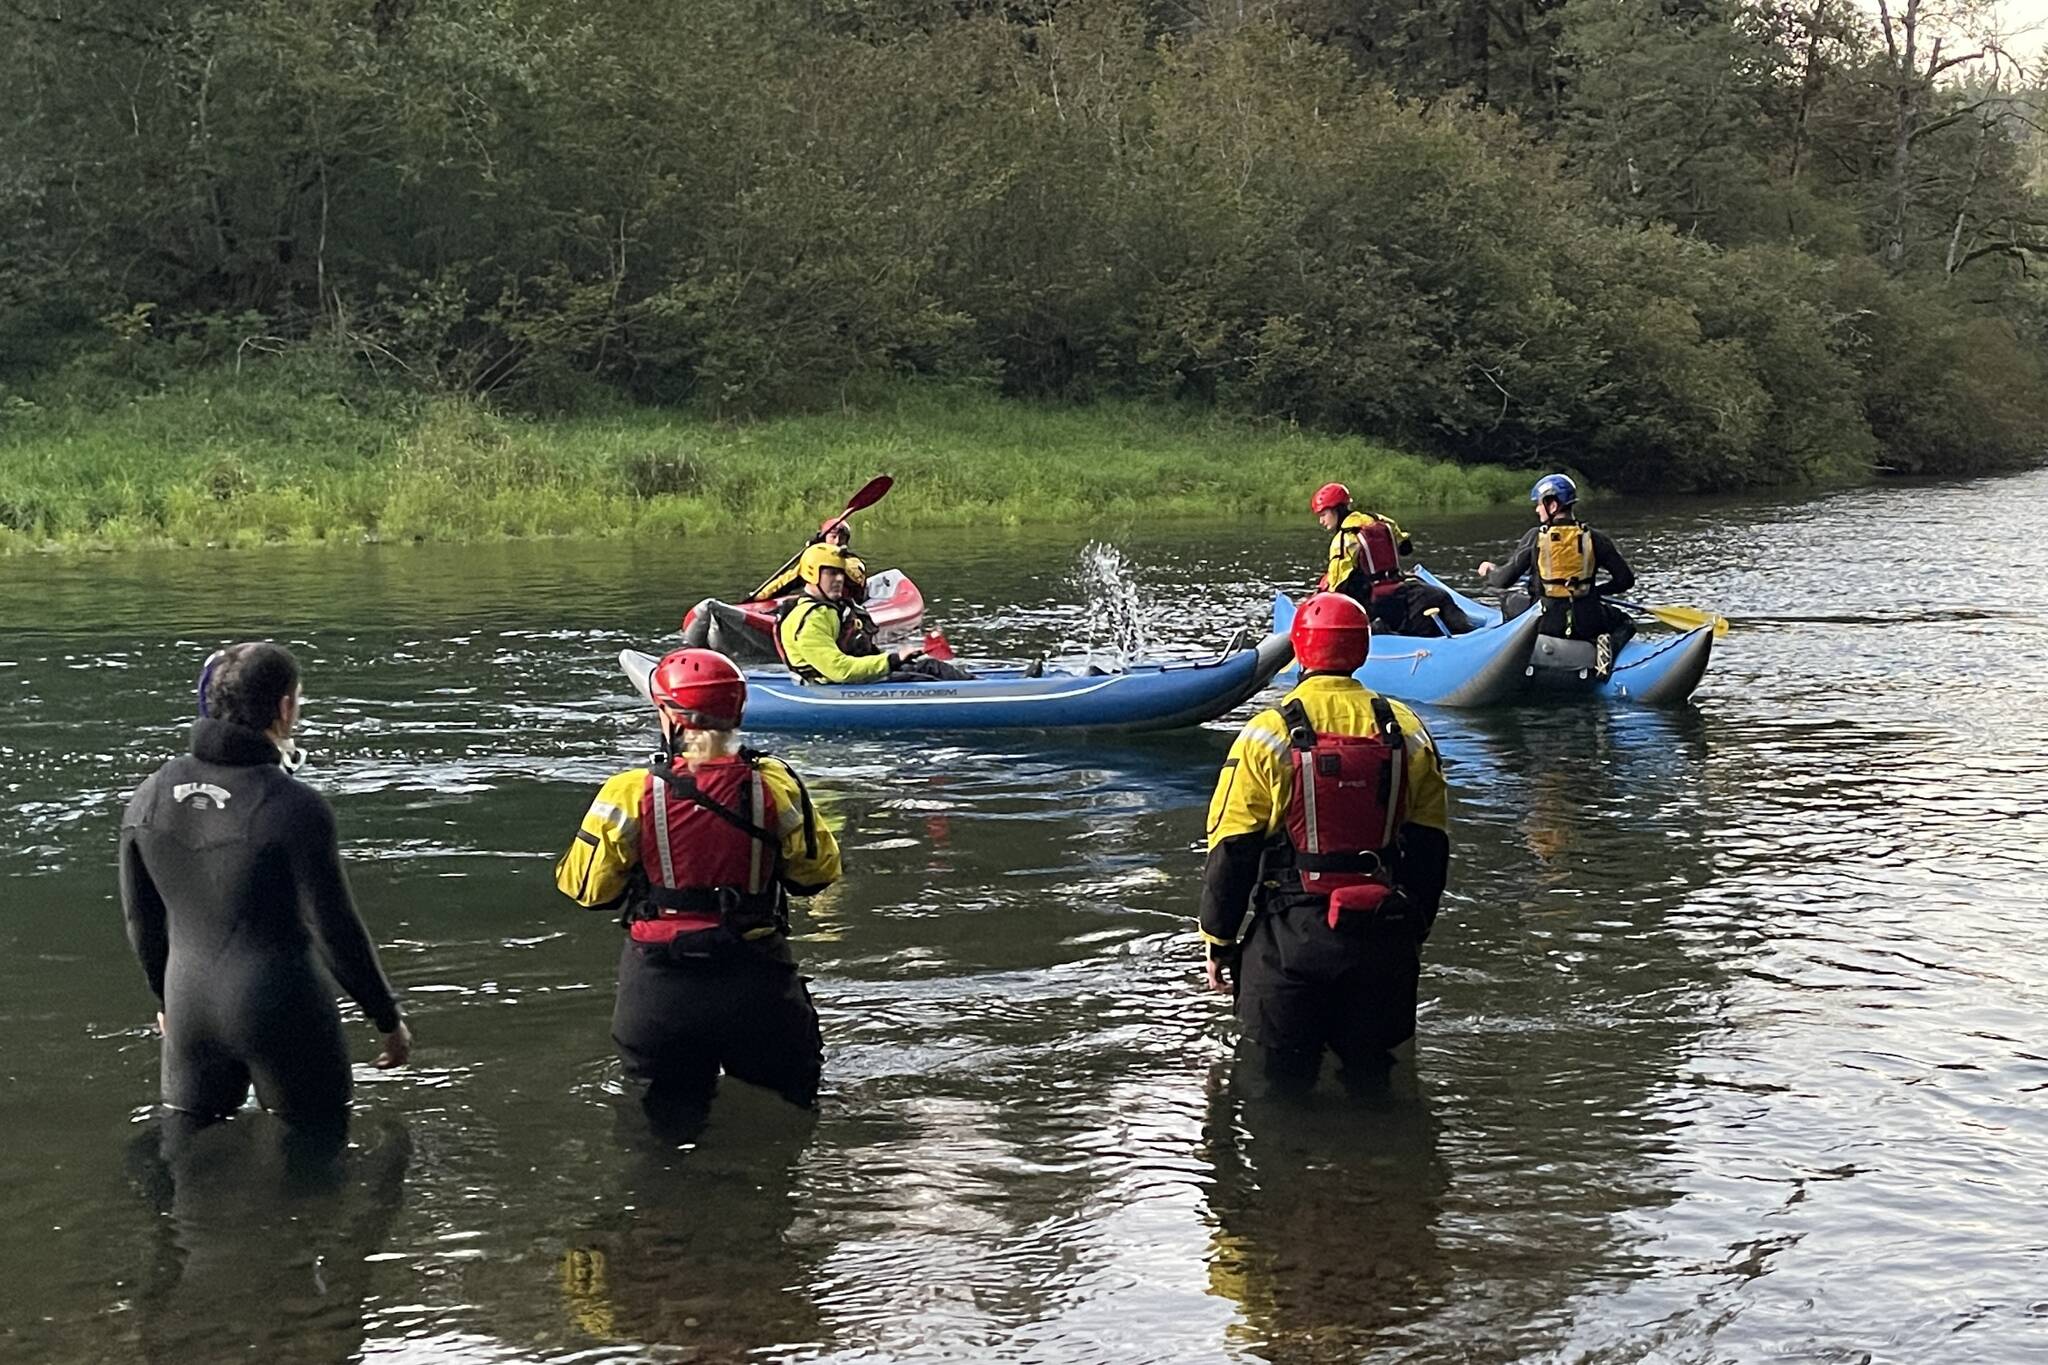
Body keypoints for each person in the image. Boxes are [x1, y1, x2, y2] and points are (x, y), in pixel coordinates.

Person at [119, 642, 411, 1156]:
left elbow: (141, 920)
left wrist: (165, 1001)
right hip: (281, 1006)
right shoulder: (295, 806)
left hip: (189, 1012)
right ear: (283, 708)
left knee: (186, 1166)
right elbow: (333, 927)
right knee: (316, 1160)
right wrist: (386, 1018)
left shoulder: (149, 795)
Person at [554, 648, 842, 1124]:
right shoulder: (777, 785)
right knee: (786, 1119)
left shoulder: (627, 791)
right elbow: (817, 873)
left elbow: (587, 890)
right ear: (738, 713)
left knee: (663, 1136)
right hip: (757, 984)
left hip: (662, 993)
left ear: (669, 715)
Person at [1198, 593, 1451, 1090]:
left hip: (1291, 944)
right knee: (1377, 1091)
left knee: (1277, 1098)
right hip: (1383, 940)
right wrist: (1411, 934)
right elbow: (1430, 846)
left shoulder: (1266, 733)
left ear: (1301, 651)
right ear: (1361, 650)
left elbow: (1233, 848)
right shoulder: (1409, 729)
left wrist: (1219, 941)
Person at [1476, 473, 1636, 673]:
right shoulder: (1595, 538)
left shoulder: (1535, 537)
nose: (1536, 509)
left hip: (1543, 623)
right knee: (1625, 621)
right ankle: (1607, 647)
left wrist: (1491, 570)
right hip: (1588, 622)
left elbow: (1503, 580)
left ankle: (1515, 653)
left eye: (1539, 504)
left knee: (1508, 599)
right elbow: (1625, 580)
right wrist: (1594, 591)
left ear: (1552, 505)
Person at [776, 542, 972, 683]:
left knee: (928, 666)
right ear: (812, 574)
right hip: (836, 686)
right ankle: (980, 691)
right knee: (930, 669)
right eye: (830, 573)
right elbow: (840, 670)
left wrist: (898, 657)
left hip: (852, 680)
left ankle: (978, 683)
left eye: (840, 573)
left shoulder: (832, 609)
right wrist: (893, 660)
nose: (838, 579)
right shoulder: (810, 620)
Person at [1311, 482, 1473, 637]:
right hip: (1397, 585)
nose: (1321, 521)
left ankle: (1382, 632)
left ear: (1337, 510)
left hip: (1374, 601)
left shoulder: (1344, 540)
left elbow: (1337, 587)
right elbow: (1406, 547)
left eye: (1324, 514)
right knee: (1437, 595)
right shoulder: (1378, 519)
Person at [751, 516, 869, 604]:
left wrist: (831, 556)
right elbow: (786, 580)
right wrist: (758, 597)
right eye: (833, 537)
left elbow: (857, 577)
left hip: (849, 606)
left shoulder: (852, 561)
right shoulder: (813, 562)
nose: (837, 542)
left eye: (842, 538)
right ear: (823, 539)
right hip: (819, 604)